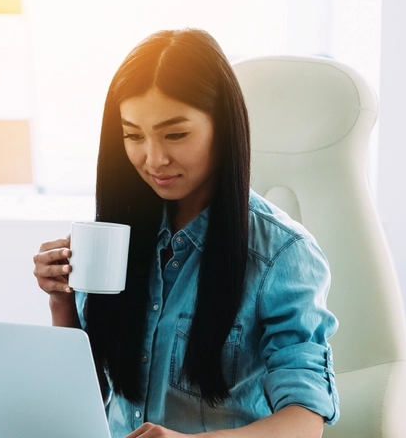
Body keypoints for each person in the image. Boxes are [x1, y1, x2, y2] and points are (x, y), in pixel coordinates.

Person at [33, 29, 338, 438]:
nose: (153, 159)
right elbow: (87, 395)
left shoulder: (282, 254)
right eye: (133, 135)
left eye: (175, 134)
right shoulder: (116, 237)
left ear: (223, 127)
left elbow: (305, 423)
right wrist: (61, 302)